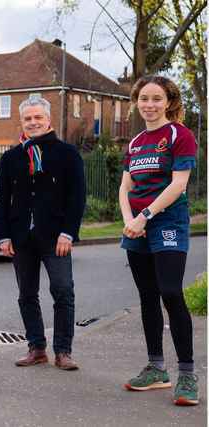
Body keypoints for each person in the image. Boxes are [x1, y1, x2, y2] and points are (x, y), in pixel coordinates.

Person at [119, 75, 199, 406]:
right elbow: (125, 187)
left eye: (156, 98)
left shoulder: (180, 135)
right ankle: (156, 369)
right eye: (144, 99)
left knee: (170, 291)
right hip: (136, 226)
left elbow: (178, 184)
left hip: (167, 222)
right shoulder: (135, 141)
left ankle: (187, 374)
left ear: (168, 102)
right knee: (147, 296)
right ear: (136, 102)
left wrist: (145, 216)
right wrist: (128, 222)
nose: (149, 105)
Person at [0, 97, 85, 371]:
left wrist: (68, 233)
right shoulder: (11, 158)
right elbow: (2, 199)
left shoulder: (67, 154)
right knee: (26, 294)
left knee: (62, 291)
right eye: (28, 119)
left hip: (56, 236)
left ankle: (63, 351)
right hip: (21, 237)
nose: (33, 123)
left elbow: (77, 197)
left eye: (38, 118)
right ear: (22, 122)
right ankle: (36, 347)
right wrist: (4, 236)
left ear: (48, 120)